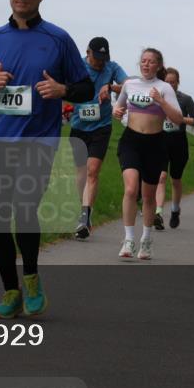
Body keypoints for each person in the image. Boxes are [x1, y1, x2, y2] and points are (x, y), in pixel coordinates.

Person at [0, 0, 92, 318]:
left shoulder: (58, 39)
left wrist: (63, 90)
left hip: (39, 142)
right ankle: (10, 291)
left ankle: (32, 277)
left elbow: (85, 88)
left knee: (24, 209)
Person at [112, 49, 184, 260]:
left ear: (158, 66)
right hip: (131, 141)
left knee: (148, 196)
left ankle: (145, 240)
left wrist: (161, 102)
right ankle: (128, 239)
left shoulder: (164, 88)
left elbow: (178, 118)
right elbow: (119, 107)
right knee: (131, 188)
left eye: (151, 62)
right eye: (143, 61)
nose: (146, 65)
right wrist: (117, 112)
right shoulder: (129, 84)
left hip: (155, 144)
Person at [71, 37, 128, 240]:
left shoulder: (111, 67)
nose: (100, 62)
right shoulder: (75, 65)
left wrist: (111, 88)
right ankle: (83, 209)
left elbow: (129, 85)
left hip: (101, 127)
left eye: (103, 58)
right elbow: (63, 87)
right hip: (78, 126)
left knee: (92, 171)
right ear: (88, 53)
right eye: (97, 58)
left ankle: (85, 217)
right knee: (80, 174)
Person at [154, 67, 194, 230]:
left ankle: (174, 209)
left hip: (178, 142)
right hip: (161, 140)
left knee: (175, 180)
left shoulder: (185, 99)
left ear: (177, 82)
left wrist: (180, 119)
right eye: (166, 82)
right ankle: (158, 213)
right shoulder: (157, 97)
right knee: (160, 177)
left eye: (172, 82)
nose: (169, 85)